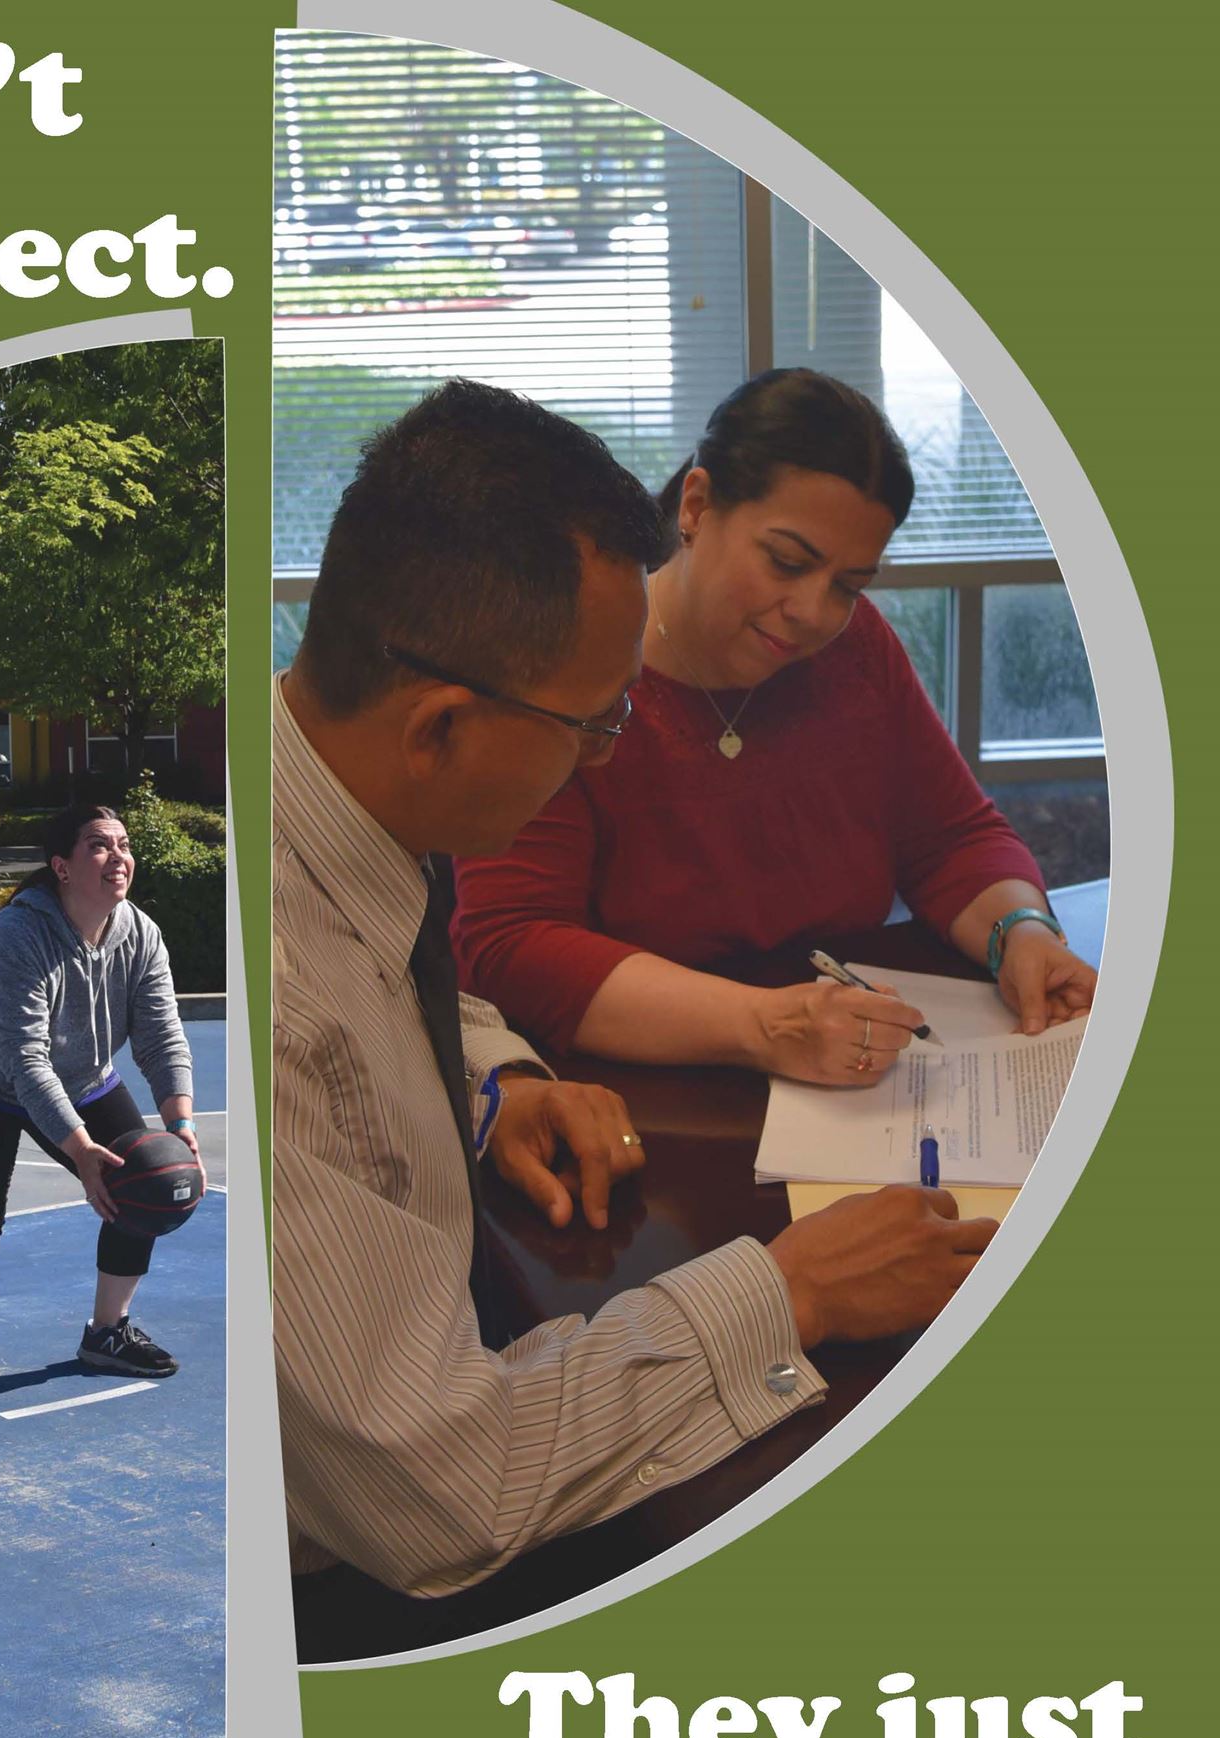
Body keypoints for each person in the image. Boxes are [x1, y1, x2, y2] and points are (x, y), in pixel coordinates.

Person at [274, 379, 997, 1598]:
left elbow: (398, 979)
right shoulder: (284, 1008)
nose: (610, 750)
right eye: (596, 724)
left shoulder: (334, 809)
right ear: (441, 725)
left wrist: (492, 1076)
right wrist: (794, 1288)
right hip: (366, 1578)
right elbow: (452, 1496)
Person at [451, 369, 1098, 1084]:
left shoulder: (854, 653)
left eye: (850, 586)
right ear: (697, 505)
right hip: (651, 1092)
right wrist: (766, 1026)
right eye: (787, 562)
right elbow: (513, 942)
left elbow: (951, 838)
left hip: (843, 1062)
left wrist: (1021, 933)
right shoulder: (578, 659)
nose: (815, 612)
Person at [0, 801, 199, 1414]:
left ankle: (106, 1333)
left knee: (143, 1177)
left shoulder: (139, 934)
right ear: (61, 867)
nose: (117, 856)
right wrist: (78, 1147)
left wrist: (180, 1124)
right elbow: (23, 1059)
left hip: (82, 1077)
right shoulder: (17, 933)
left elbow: (161, 1035)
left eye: (123, 844)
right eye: (98, 845)